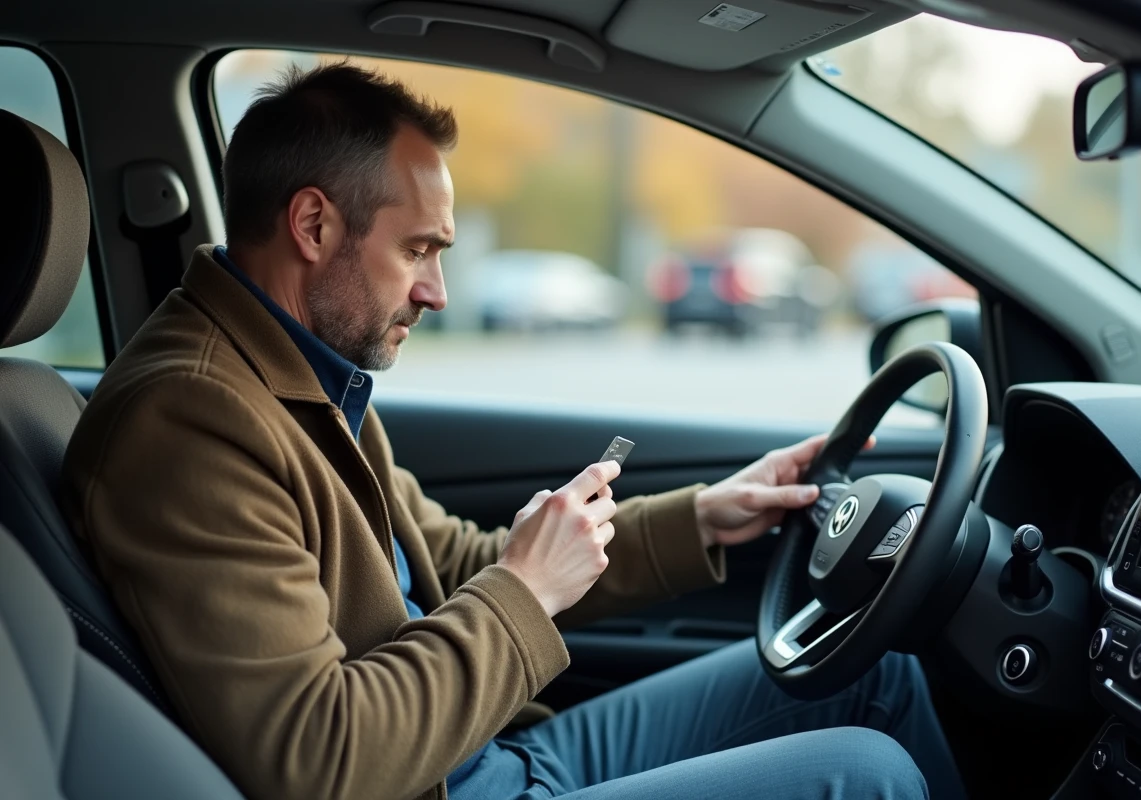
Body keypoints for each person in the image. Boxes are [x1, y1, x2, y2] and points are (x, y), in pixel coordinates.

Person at [61, 63, 965, 800]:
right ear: (312, 224)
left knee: (872, 674)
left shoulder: (299, 375)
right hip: (447, 784)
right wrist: (527, 590)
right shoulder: (191, 420)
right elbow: (317, 759)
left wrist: (703, 519)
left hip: (484, 754)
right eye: (418, 250)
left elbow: (449, 566)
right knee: (867, 775)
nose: (437, 291)